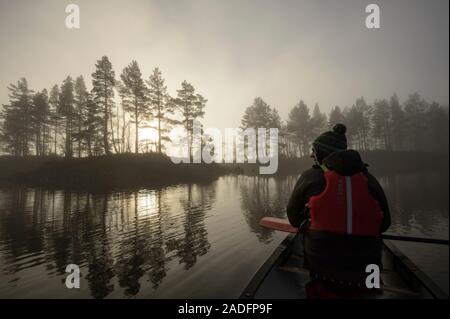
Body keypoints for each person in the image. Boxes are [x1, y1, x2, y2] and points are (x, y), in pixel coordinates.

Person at [286, 123, 391, 298]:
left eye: (315, 151)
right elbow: (385, 224)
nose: (312, 155)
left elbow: (294, 220)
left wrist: (311, 218)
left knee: (308, 233)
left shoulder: (309, 177)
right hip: (366, 272)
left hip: (322, 272)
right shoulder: (369, 179)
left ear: (322, 154)